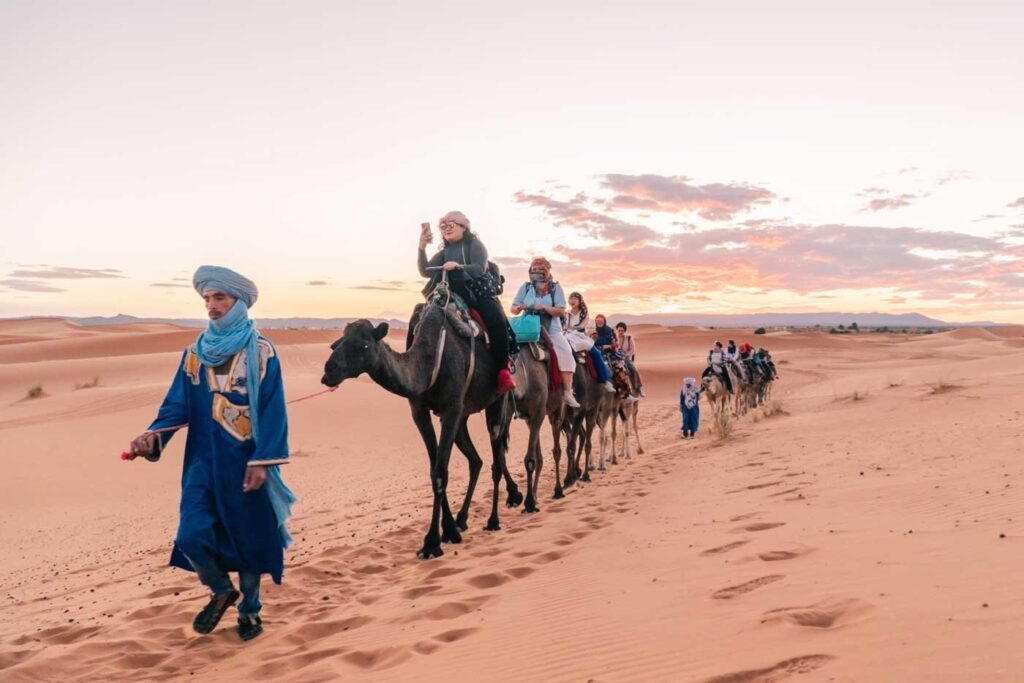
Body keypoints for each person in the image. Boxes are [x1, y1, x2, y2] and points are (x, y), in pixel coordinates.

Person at [125, 266, 295, 642]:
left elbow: (274, 410)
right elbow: (177, 406)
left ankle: (250, 612)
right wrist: (152, 436)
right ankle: (221, 590)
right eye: (207, 298)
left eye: (220, 297)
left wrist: (263, 461)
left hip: (245, 463)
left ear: (239, 302)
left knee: (249, 543)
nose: (212, 305)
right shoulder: (194, 354)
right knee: (191, 535)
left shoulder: (262, 352)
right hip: (202, 464)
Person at [417, 211, 515, 394]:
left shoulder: (475, 245)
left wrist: (458, 266)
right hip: (451, 293)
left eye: (450, 225)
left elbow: (479, 268)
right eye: (443, 226)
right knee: (419, 315)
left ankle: (503, 371)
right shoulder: (444, 252)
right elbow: (425, 271)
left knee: (496, 321)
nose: (446, 229)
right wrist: (421, 248)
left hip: (478, 294)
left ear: (464, 227)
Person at [511, 257, 580, 408]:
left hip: (551, 329)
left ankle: (567, 391)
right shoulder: (526, 287)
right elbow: (513, 309)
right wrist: (519, 307)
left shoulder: (555, 288)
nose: (536, 272)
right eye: (534, 269)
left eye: (540, 269)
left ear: (547, 271)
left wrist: (544, 308)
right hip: (527, 327)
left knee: (566, 353)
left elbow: (561, 311)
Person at [563, 291, 615, 393]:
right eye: (571, 298)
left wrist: (569, 328)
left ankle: (605, 380)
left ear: (580, 301)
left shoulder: (584, 314)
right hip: (567, 336)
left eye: (575, 299)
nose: (572, 301)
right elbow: (562, 325)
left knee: (596, 353)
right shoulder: (566, 314)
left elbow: (581, 326)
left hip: (580, 337)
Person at [592, 314, 636, 402]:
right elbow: (591, 343)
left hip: (610, 353)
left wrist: (608, 346)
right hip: (597, 353)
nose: (599, 323)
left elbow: (615, 343)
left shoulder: (610, 331)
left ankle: (627, 393)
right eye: (597, 321)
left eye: (601, 321)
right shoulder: (593, 333)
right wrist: (599, 348)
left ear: (604, 321)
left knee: (620, 368)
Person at [614, 322, 646, 398]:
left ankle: (640, 387)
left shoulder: (628, 338)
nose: (620, 332)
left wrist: (626, 355)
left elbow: (632, 350)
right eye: (619, 330)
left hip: (626, 359)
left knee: (633, 369)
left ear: (624, 331)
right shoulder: (614, 339)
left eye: (622, 330)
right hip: (616, 359)